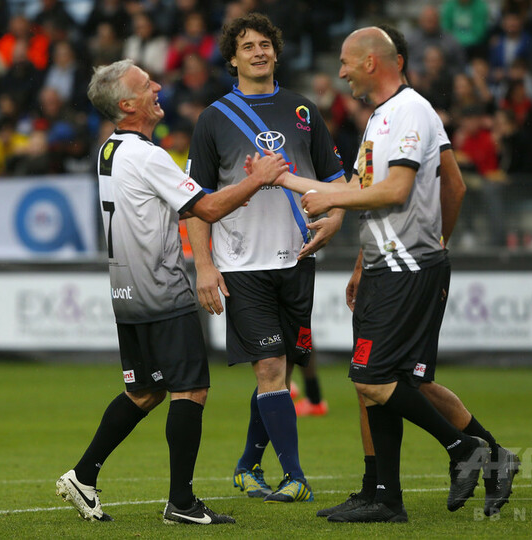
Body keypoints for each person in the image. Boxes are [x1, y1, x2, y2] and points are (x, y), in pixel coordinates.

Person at [54, 58, 288, 525]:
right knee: (191, 389)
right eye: (146, 85)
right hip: (160, 290)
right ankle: (181, 503)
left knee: (145, 392)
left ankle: (83, 475)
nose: (158, 87)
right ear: (127, 105)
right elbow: (206, 208)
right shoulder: (148, 155)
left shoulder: (109, 150)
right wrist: (258, 179)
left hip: (126, 293)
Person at [274, 27, 493, 523]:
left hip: (405, 267)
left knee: (375, 379)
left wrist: (432, 243)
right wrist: (285, 179)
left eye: (346, 62)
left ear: (372, 62)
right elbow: (361, 186)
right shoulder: (381, 116)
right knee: (380, 381)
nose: (340, 72)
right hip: (383, 265)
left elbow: (395, 190)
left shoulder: (410, 111)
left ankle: (466, 448)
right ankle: (384, 495)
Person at [186, 13, 348, 503]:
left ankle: (246, 466)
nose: (258, 52)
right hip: (242, 266)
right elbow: (196, 202)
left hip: (297, 259)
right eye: (248, 46)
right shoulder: (213, 119)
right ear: (232, 59)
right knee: (271, 368)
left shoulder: (303, 109)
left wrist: (336, 219)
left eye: (265, 44)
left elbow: (336, 181)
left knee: (284, 369)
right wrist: (204, 265)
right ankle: (295, 477)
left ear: (276, 52)